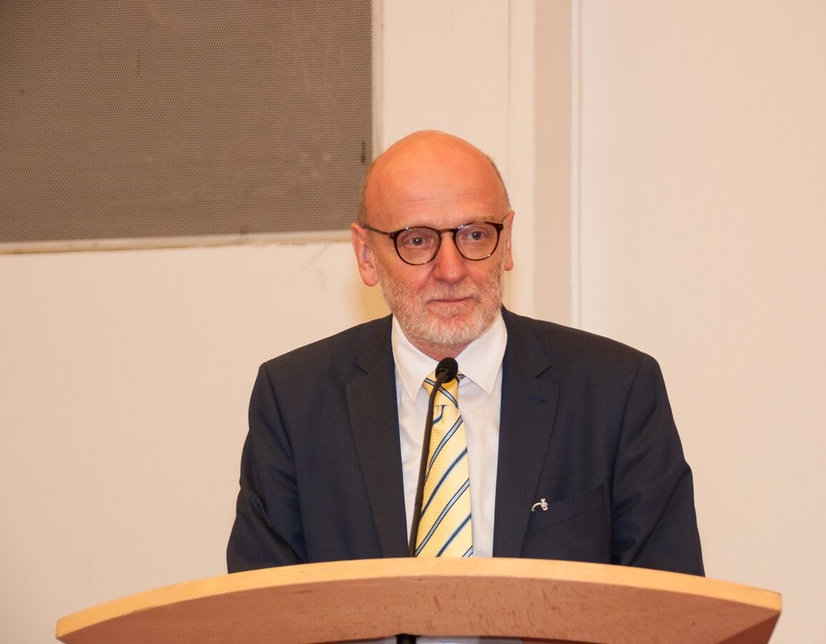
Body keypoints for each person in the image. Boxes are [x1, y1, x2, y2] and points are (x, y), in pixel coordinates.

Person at [226, 130, 703, 576]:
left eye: (475, 235)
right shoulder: (294, 402)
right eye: (417, 241)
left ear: (507, 241)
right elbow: (259, 612)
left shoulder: (616, 391)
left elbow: (673, 608)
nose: (451, 270)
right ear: (366, 255)